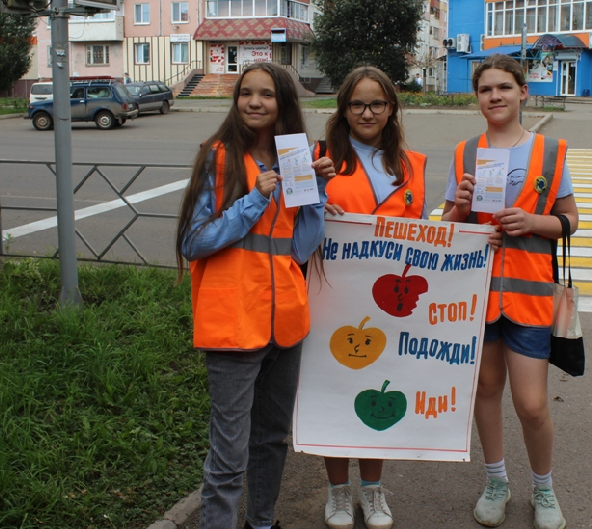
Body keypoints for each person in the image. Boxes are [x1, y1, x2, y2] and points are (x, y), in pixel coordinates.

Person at [175, 62, 336, 529]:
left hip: (285, 323)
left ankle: (261, 523)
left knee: (269, 440)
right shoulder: (219, 156)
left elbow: (301, 247)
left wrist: (317, 191)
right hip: (232, 324)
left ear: (283, 103)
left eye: (266, 94)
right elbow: (193, 241)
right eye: (246, 93)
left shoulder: (294, 160)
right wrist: (254, 199)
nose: (254, 102)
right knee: (228, 454)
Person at [441, 54, 578, 529]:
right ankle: (496, 480)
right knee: (486, 389)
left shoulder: (550, 150)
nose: (494, 96)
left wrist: (532, 222)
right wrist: (459, 210)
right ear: (476, 97)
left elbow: (569, 221)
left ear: (523, 91)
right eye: (485, 89)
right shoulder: (464, 152)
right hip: (476, 295)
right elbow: (445, 229)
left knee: (532, 404)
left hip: (530, 296)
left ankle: (544, 487)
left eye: (503, 87)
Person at [315, 66, 428, 529]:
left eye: (377, 104)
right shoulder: (319, 157)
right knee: (335, 390)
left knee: (383, 390)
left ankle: (373, 491)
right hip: (331, 297)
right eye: (357, 104)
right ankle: (339, 492)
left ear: (391, 109)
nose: (367, 112)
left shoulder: (413, 163)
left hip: (390, 302)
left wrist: (462, 217)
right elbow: (289, 218)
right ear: (343, 108)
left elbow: (423, 233)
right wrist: (314, 203)